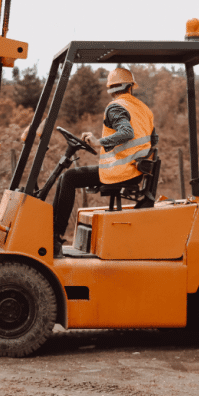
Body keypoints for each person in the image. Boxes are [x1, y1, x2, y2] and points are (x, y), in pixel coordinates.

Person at [52, 68, 157, 257]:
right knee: (67, 178)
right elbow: (153, 140)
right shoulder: (143, 109)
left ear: (110, 88)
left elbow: (126, 132)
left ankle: (54, 237)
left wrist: (99, 142)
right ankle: (54, 234)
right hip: (136, 170)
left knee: (68, 178)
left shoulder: (116, 106)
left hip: (120, 171)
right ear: (131, 86)